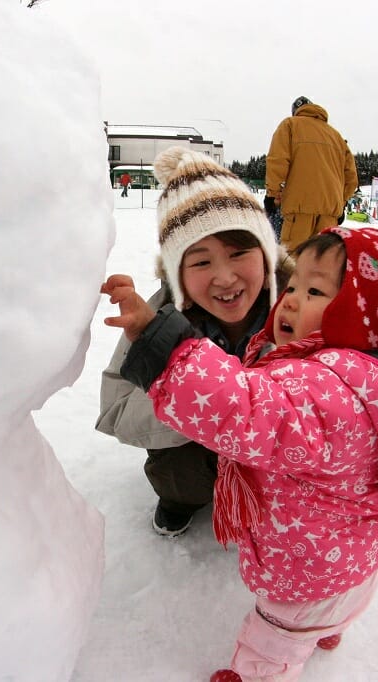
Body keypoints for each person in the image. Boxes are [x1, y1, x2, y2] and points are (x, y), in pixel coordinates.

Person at [101, 226, 378, 682]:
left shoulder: (325, 392)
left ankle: (262, 670)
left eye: (315, 290)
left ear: (368, 317)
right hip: (357, 563)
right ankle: (328, 629)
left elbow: (243, 405)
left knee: (273, 640)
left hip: (307, 573)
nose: (291, 299)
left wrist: (160, 340)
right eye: (294, 284)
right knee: (333, 607)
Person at [96, 145, 290, 537]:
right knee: (176, 470)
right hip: (194, 459)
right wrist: (172, 368)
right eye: (201, 261)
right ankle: (181, 498)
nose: (224, 277)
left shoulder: (301, 310)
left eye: (239, 252)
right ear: (177, 273)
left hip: (279, 458)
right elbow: (115, 411)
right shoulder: (159, 316)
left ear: (267, 254)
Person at [264, 96, 358, 252]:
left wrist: (272, 195)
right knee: (322, 262)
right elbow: (351, 178)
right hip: (330, 212)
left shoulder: (289, 125)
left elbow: (278, 161)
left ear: (295, 111)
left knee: (292, 261)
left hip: (298, 208)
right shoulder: (336, 137)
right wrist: (341, 204)